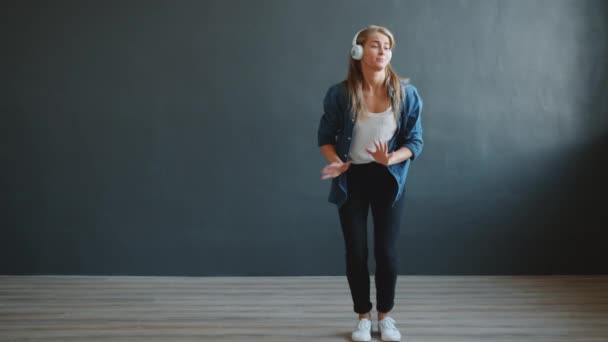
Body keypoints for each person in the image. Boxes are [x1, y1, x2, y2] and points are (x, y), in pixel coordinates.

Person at [317, 25, 423, 342]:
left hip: (389, 179)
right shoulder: (340, 94)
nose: (382, 52)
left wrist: (391, 159)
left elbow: (415, 142)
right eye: (375, 45)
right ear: (358, 50)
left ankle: (386, 317)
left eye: (387, 46)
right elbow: (325, 138)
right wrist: (335, 161)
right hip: (353, 179)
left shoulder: (407, 94)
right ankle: (363, 316)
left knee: (386, 253)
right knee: (356, 251)